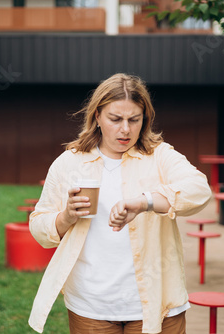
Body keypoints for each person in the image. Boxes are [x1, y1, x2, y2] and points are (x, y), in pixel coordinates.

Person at [28, 73, 212, 334]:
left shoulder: (160, 156)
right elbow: (38, 226)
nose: (125, 129)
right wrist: (66, 217)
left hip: (157, 304)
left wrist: (145, 202)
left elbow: (199, 190)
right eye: (115, 119)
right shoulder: (70, 162)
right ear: (97, 118)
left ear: (144, 120)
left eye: (134, 120)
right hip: (90, 306)